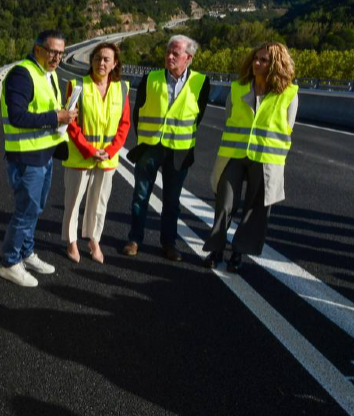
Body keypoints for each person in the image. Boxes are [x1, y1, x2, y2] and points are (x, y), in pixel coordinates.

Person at [202, 42, 299, 272]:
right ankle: (216, 249)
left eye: (264, 60)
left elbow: (288, 128)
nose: (257, 63)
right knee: (224, 204)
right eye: (256, 58)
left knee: (255, 210)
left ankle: (238, 253)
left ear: (276, 64)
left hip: (265, 159)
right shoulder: (238, 88)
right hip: (234, 154)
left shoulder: (289, 95)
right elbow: (229, 118)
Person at [0, 30, 78, 287]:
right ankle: (10, 262)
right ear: (38, 49)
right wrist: (57, 117)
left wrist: (63, 115)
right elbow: (18, 116)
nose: (56, 57)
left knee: (36, 209)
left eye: (60, 53)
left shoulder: (49, 74)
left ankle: (26, 252)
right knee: (25, 211)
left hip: (43, 154)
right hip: (26, 156)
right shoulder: (22, 75)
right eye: (52, 51)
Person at [123, 35, 210, 261]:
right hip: (150, 146)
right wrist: (144, 138)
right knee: (140, 195)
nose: (169, 57)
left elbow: (197, 116)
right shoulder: (150, 77)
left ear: (188, 58)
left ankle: (169, 243)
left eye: (175, 53)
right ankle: (134, 239)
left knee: (172, 201)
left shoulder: (201, 82)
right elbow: (138, 111)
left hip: (179, 151)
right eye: (168, 52)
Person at [62, 42, 130, 264]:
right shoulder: (77, 85)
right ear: (91, 60)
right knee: (73, 202)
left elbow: (124, 124)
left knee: (99, 203)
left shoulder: (122, 89)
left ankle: (94, 240)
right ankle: (72, 241)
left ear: (114, 64)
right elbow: (71, 123)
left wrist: (109, 151)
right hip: (81, 157)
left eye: (106, 59)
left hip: (107, 159)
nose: (101, 62)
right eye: (97, 58)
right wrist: (89, 150)